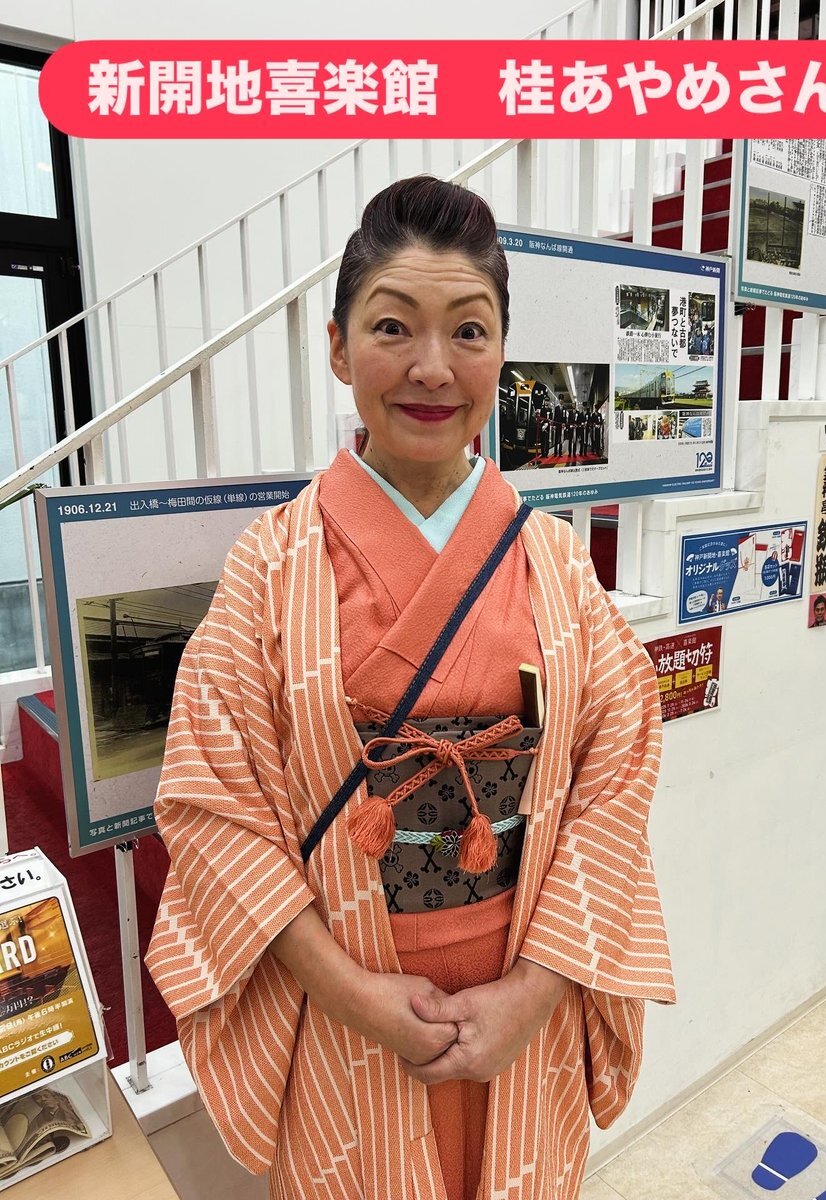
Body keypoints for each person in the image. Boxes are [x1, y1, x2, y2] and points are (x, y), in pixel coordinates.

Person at [146, 176, 674, 1200]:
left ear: (501, 353)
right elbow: (213, 807)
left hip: (524, 989)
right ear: (340, 348)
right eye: (393, 326)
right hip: (348, 1004)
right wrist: (348, 991)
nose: (432, 367)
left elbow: (617, 780)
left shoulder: (559, 563)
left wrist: (536, 989)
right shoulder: (270, 566)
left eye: (468, 331)